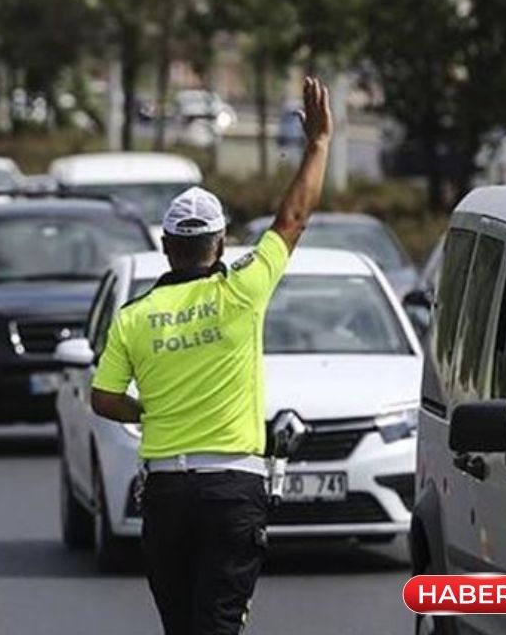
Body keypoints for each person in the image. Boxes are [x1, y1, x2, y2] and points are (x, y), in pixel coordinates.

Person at [89, 76, 332, 635]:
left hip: (167, 495)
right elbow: (293, 218)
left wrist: (148, 411)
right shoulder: (243, 290)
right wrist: (317, 144)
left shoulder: (134, 316)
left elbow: (103, 399)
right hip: (232, 490)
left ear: (166, 246)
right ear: (220, 244)